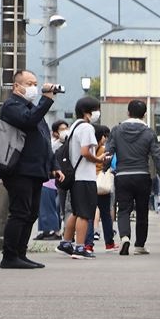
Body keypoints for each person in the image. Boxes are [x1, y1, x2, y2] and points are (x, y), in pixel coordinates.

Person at [0, 70, 59, 270]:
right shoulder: (12, 106)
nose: (34, 88)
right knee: (20, 212)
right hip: (19, 169)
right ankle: (9, 256)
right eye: (29, 83)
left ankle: (20, 253)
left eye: (35, 83)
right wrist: (46, 99)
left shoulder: (32, 108)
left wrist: (54, 166)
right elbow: (28, 120)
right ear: (17, 86)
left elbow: (45, 139)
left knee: (31, 213)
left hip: (35, 170)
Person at [105, 99, 160, 255]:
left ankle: (124, 237)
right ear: (144, 114)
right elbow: (157, 156)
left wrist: (103, 169)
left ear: (128, 113)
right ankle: (139, 246)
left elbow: (109, 152)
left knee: (123, 209)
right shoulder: (149, 132)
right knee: (142, 211)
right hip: (142, 175)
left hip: (122, 175)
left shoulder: (116, 130)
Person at [58, 96, 101, 260]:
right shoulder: (87, 128)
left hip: (75, 177)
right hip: (85, 177)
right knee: (84, 213)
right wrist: (98, 159)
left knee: (76, 212)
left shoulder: (75, 126)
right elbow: (85, 152)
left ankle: (66, 242)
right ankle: (80, 247)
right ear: (86, 112)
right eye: (95, 110)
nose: (97, 113)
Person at [35, 120, 68, 240]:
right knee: (46, 207)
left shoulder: (68, 144)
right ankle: (46, 230)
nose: (65, 131)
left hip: (61, 180)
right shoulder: (53, 145)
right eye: (62, 129)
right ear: (55, 133)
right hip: (49, 180)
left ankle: (56, 231)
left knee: (55, 207)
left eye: (66, 129)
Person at [90, 123, 116, 251]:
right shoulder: (104, 150)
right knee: (105, 214)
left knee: (88, 215)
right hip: (102, 184)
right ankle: (109, 243)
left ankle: (88, 244)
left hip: (89, 183)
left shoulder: (86, 150)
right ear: (100, 137)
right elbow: (109, 164)